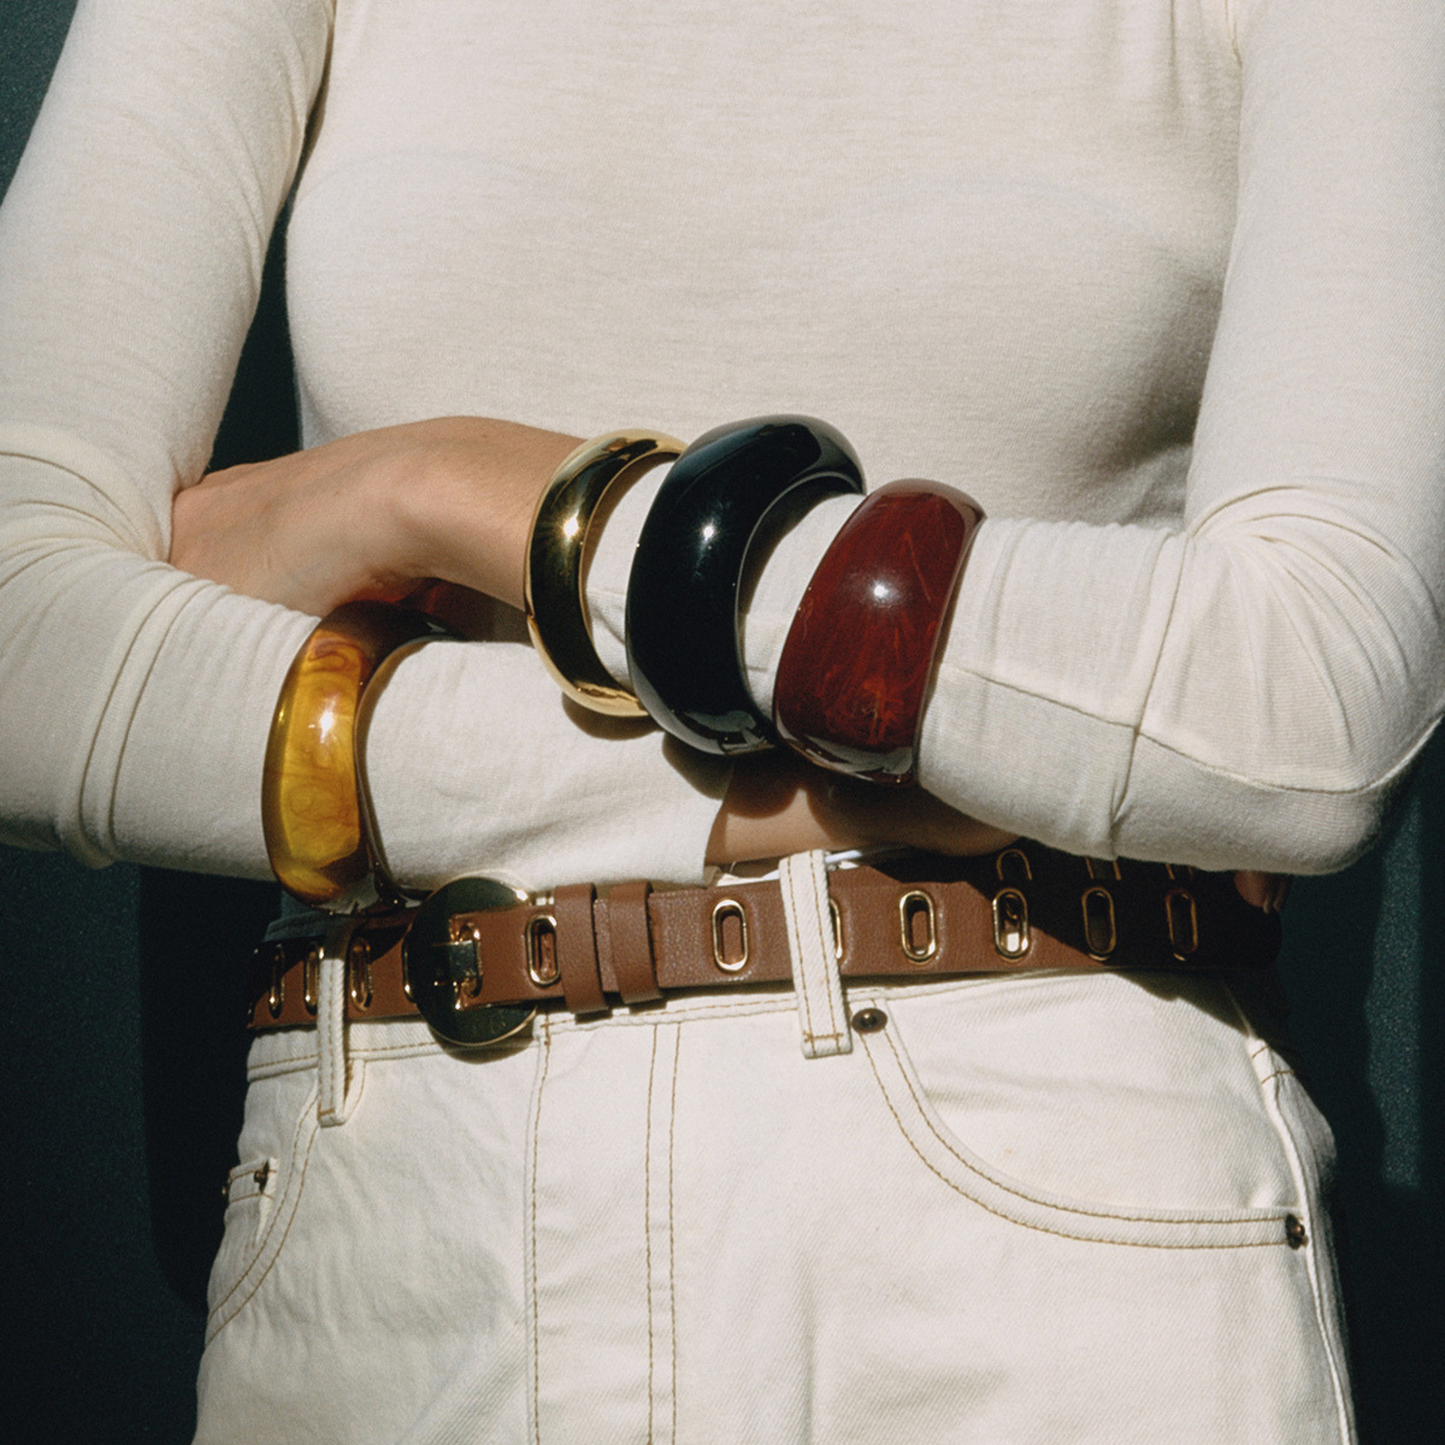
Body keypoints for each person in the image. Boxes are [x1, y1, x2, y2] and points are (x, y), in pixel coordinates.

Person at [2, 0, 1441, 1439]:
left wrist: (462, 491)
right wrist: (875, 775)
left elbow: (1300, 704)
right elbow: (21, 654)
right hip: (402, 1204)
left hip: (1045, 1185)